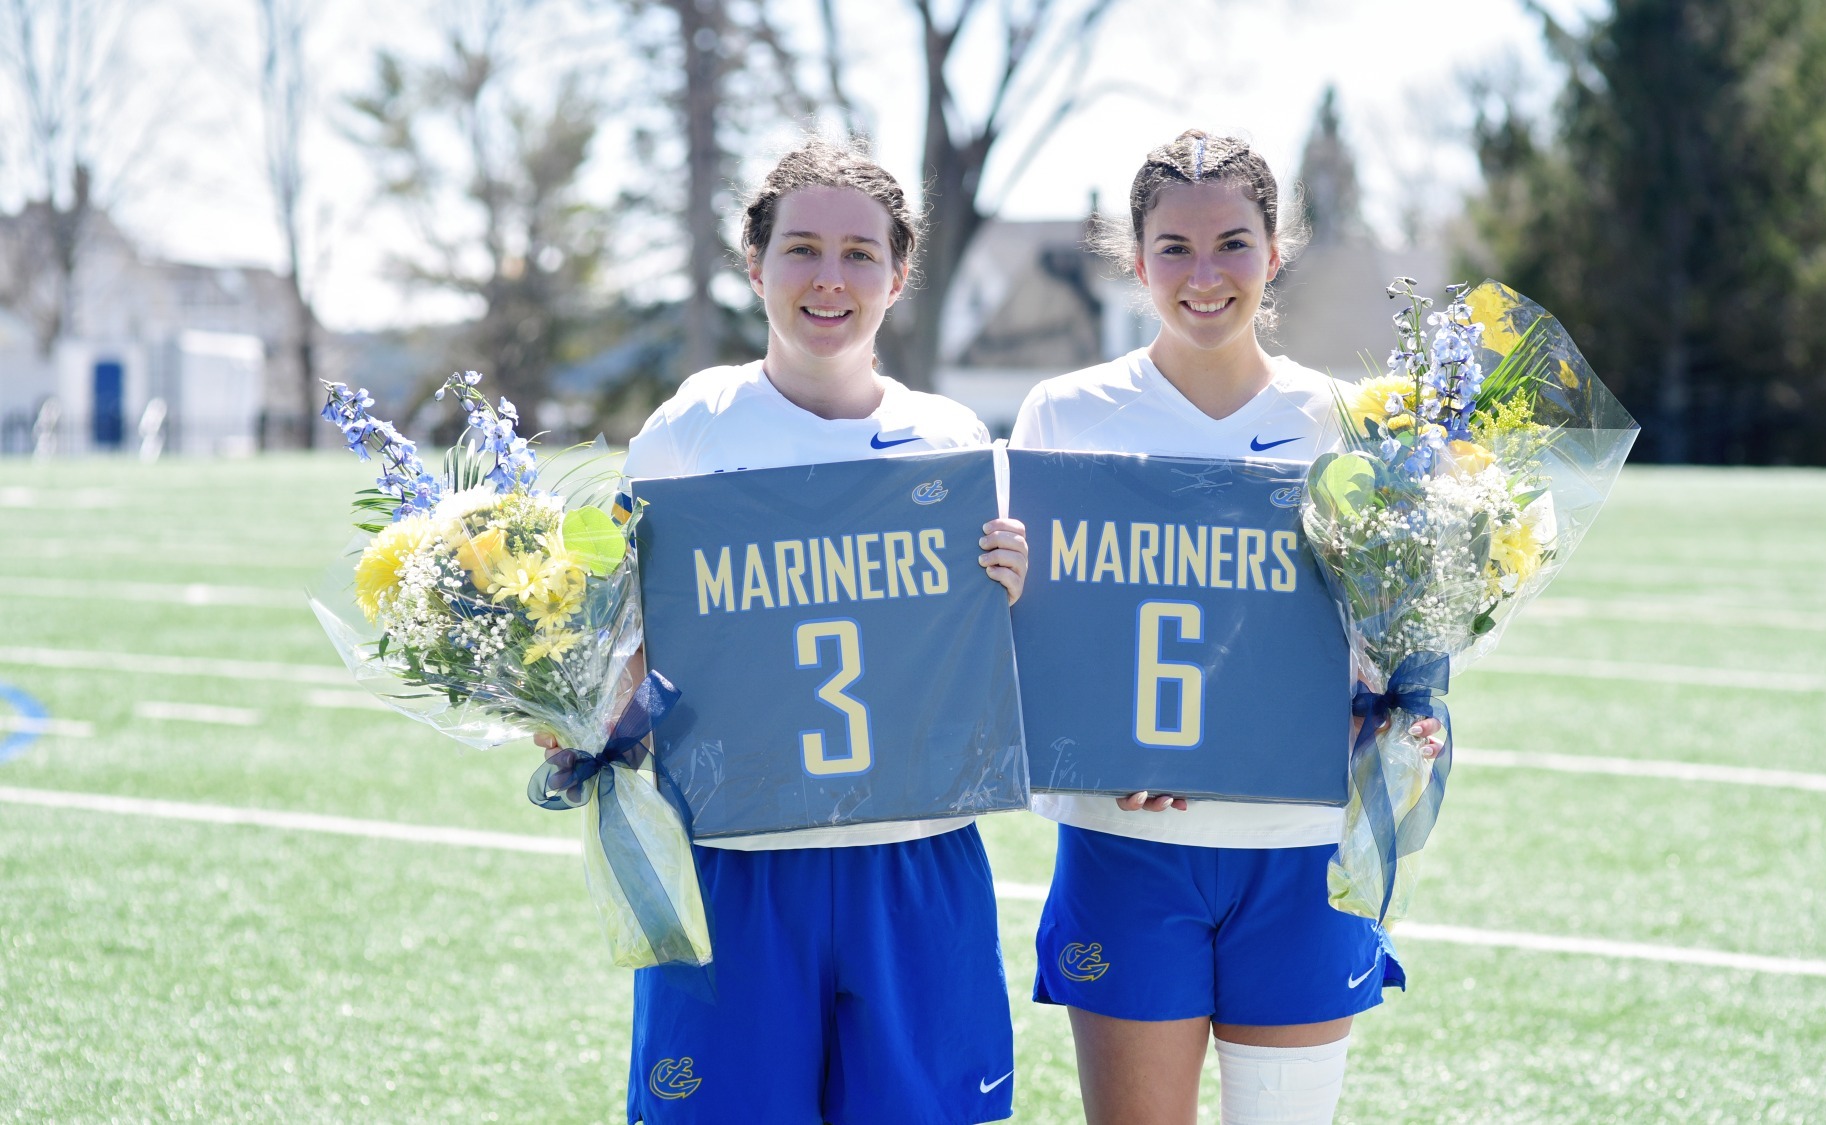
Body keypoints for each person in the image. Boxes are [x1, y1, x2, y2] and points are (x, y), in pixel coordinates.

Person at [563, 137, 1030, 1125]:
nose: (830, 278)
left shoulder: (951, 445)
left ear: (900, 273)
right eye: (803, 249)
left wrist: (1020, 591)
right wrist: (575, 695)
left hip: (915, 856)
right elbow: (625, 652)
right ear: (754, 265)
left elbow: (996, 669)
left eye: (860, 253)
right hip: (740, 857)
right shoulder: (690, 437)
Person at [1008, 130, 1444, 1125]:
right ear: (1134, 258)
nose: (1203, 275)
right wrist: (1088, 737)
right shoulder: (1066, 413)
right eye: (1173, 247)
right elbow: (1028, 642)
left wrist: (1388, 712)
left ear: (1273, 251)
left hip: (1299, 847)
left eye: (1232, 243)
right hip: (1129, 843)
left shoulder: (1342, 421)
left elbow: (1396, 639)